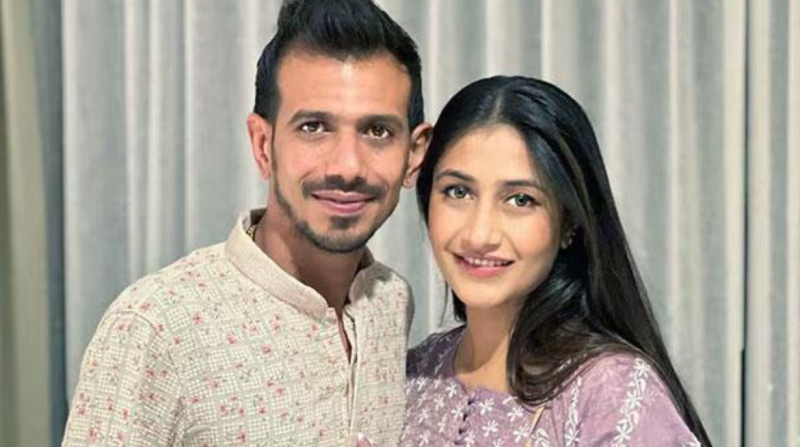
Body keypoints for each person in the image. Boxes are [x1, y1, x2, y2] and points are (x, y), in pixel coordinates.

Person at [62, 0, 431, 445]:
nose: (347, 166)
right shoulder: (155, 326)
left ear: (414, 156)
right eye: (314, 127)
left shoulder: (390, 301)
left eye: (377, 131)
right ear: (262, 145)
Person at [401, 76, 712, 446]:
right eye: (458, 192)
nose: (479, 234)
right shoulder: (412, 373)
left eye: (520, 199)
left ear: (569, 222)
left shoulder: (611, 392)